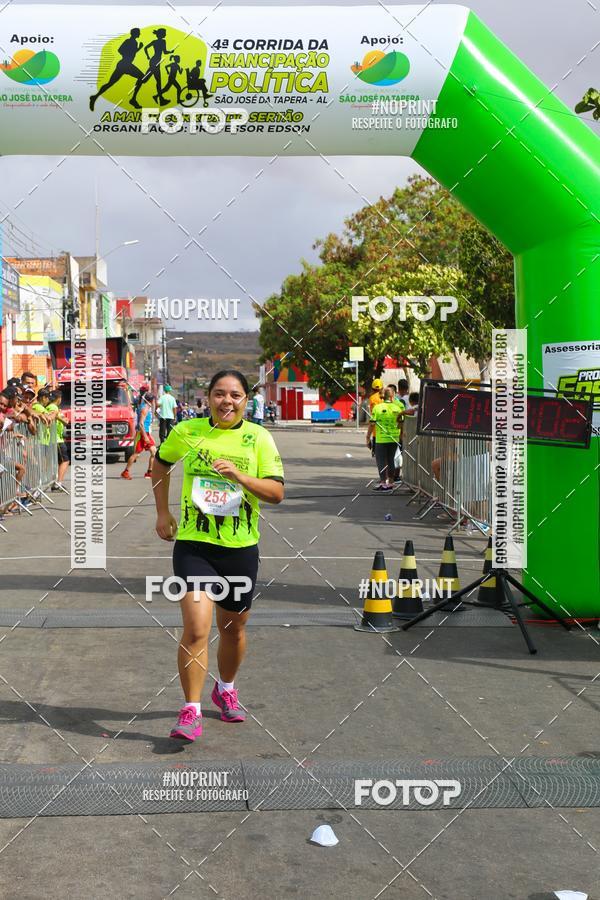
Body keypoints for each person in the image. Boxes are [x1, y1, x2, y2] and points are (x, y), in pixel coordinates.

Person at [152, 369, 284, 742]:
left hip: (239, 550)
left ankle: (226, 689)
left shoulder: (258, 437)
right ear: (208, 397)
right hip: (194, 546)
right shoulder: (187, 431)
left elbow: (276, 493)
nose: (227, 401)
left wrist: (241, 478)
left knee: (233, 629)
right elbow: (160, 463)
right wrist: (162, 512)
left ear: (246, 400)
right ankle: (190, 710)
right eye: (220, 394)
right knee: (197, 628)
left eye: (235, 395)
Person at [366, 386, 405, 490]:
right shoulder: (397, 408)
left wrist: (367, 437)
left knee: (381, 461)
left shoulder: (377, 408)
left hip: (381, 439)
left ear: (383, 396)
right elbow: (401, 423)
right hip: (394, 438)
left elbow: (372, 424)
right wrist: (400, 434)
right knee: (390, 459)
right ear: (392, 396)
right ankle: (391, 482)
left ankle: (383, 483)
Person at [122, 393, 156, 479]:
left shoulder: (147, 407)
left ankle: (149, 472)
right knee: (136, 454)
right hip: (142, 434)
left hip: (146, 433)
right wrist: (145, 436)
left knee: (153, 452)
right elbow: (141, 424)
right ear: (151, 400)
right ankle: (126, 472)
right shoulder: (145, 409)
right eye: (153, 400)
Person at [46, 389, 70, 490]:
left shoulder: (52, 407)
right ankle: (58, 483)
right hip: (56, 439)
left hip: (55, 438)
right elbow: (64, 421)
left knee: (58, 461)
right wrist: (63, 419)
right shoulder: (53, 407)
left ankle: (55, 482)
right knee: (65, 461)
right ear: (58, 398)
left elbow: (64, 420)